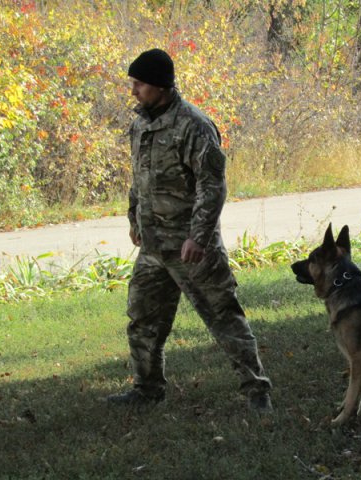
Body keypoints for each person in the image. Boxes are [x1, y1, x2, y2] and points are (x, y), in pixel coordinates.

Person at [107, 48, 272, 413]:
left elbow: (212, 187)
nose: (133, 90)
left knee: (224, 318)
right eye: (132, 83)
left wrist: (198, 238)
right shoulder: (141, 124)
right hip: (153, 248)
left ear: (162, 86)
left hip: (192, 248)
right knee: (143, 321)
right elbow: (139, 181)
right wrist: (134, 221)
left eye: (140, 84)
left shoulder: (194, 126)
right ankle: (147, 389)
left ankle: (257, 390)